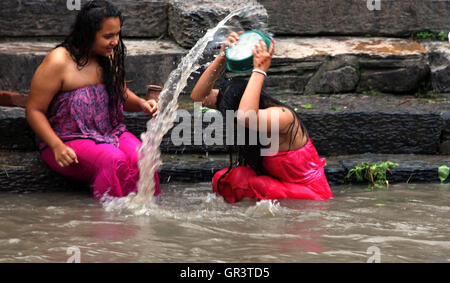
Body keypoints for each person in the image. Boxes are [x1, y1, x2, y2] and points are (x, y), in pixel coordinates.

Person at [26, 0, 161, 200]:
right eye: (108, 36)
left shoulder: (108, 55)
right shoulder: (58, 62)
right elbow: (34, 110)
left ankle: (145, 218)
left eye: (117, 34)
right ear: (87, 34)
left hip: (110, 133)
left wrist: (142, 104)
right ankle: (106, 223)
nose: (115, 41)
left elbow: (121, 94)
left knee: (144, 157)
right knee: (113, 160)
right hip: (67, 139)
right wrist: (56, 145)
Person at [190, 31, 333, 203]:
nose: (234, 126)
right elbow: (199, 98)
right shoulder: (243, 115)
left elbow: (246, 116)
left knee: (258, 183)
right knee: (225, 179)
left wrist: (259, 70)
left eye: (234, 120)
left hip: (312, 195)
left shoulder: (283, 116)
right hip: (278, 186)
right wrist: (222, 58)